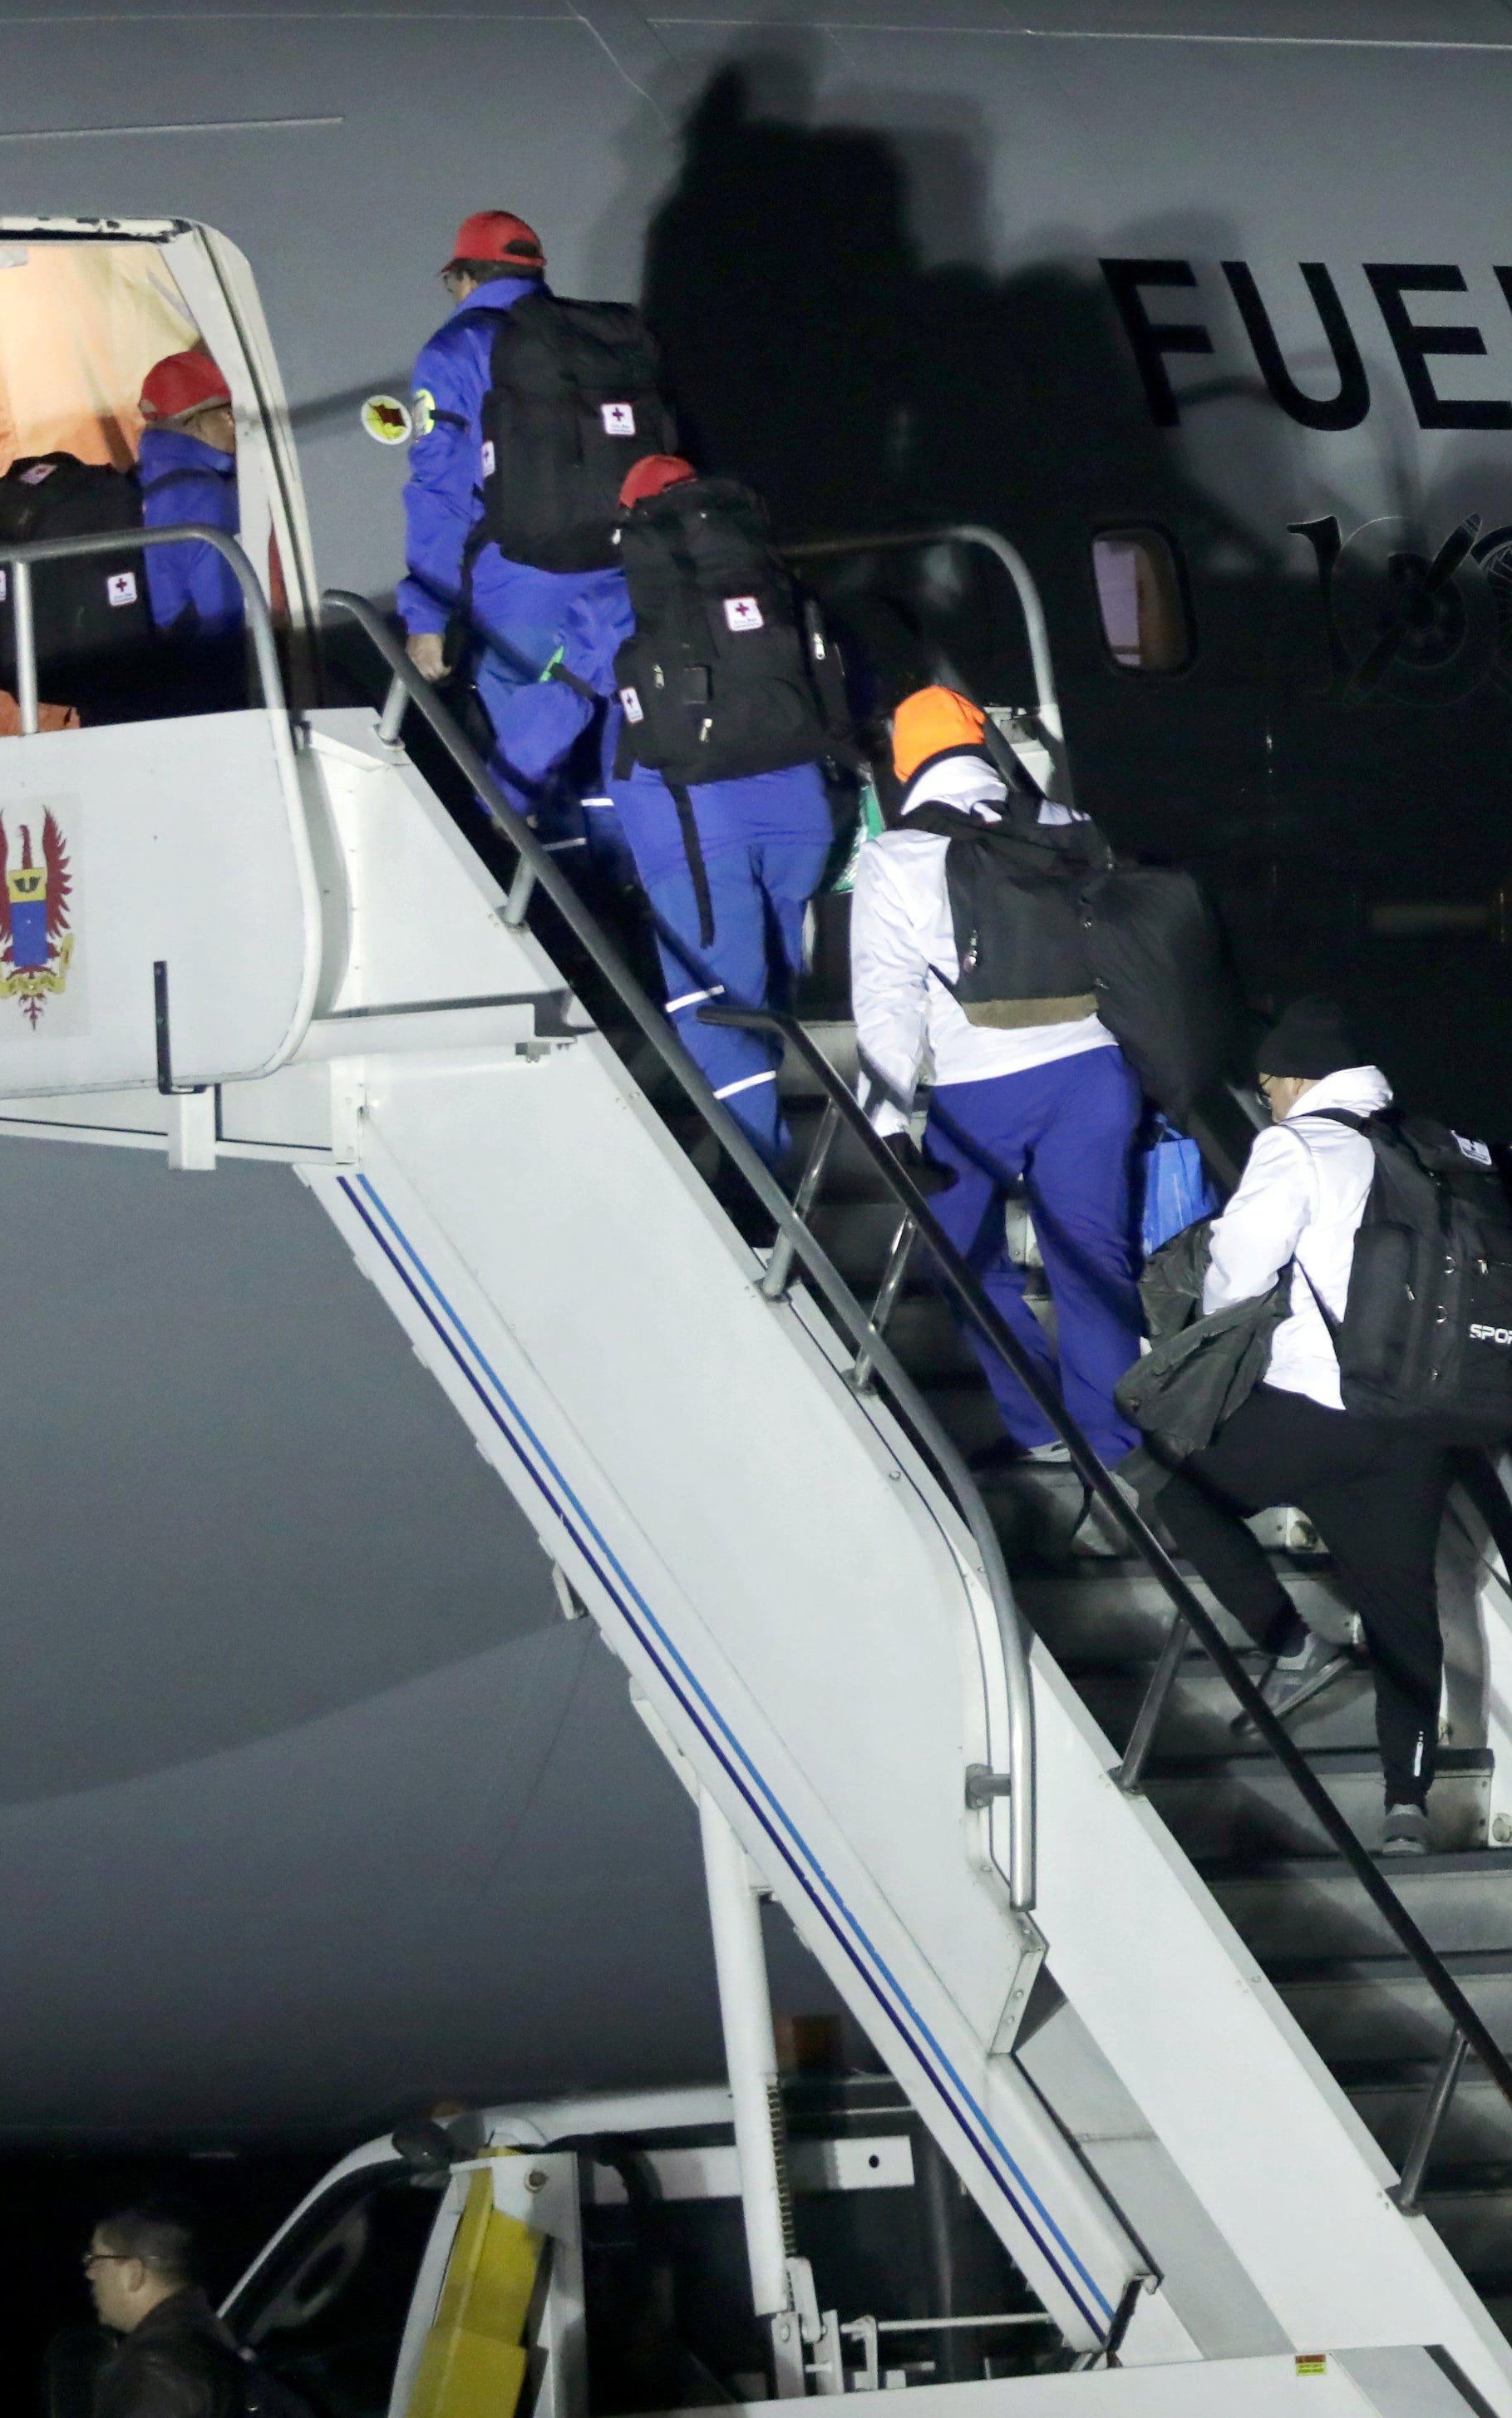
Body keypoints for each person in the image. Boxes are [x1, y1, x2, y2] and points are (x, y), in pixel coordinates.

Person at [1157, 995, 1462, 1856]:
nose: (1264, 1103)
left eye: (1267, 1088)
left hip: (1316, 1412)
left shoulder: (1297, 1145)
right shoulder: (1429, 1143)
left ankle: (1291, 1643)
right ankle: (1406, 1806)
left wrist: (1215, 1328)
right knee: (1404, 1613)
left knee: (1180, 1494)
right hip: (1424, 1422)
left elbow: (1241, 1269)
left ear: (1296, 1081)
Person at [851, 684, 1145, 1471]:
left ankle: (1034, 1420)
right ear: (982, 743)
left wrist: (883, 1120)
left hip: (982, 1087)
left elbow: (887, 999)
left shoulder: (895, 858)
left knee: (962, 1253)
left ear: (904, 763)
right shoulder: (1069, 827)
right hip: (1097, 1072)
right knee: (1092, 1259)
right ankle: (1114, 1445)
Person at [599, 455, 839, 1152]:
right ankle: (782, 1155)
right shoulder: (771, 585)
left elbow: (566, 690)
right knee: (766, 993)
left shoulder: (628, 601)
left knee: (715, 1010)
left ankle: (763, 1187)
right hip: (801, 814)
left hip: (700, 830)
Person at [392, 211, 626, 846]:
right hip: (622, 574)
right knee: (618, 747)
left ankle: (548, 913)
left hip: (520, 582)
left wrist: (426, 619)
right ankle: (628, 886)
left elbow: (440, 492)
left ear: (464, 278)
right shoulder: (598, 337)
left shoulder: (455, 351)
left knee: (521, 751)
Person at [132, 345, 246, 710]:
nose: (234, 423)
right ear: (193, 421)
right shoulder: (204, 495)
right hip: (205, 678)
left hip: (158, 670)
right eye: (225, 413)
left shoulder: (148, 478)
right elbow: (222, 612)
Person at [81, 2207, 235, 2418]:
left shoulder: (154, 2370)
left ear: (133, 2274)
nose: (90, 2273)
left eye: (95, 2259)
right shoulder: (210, 2335)